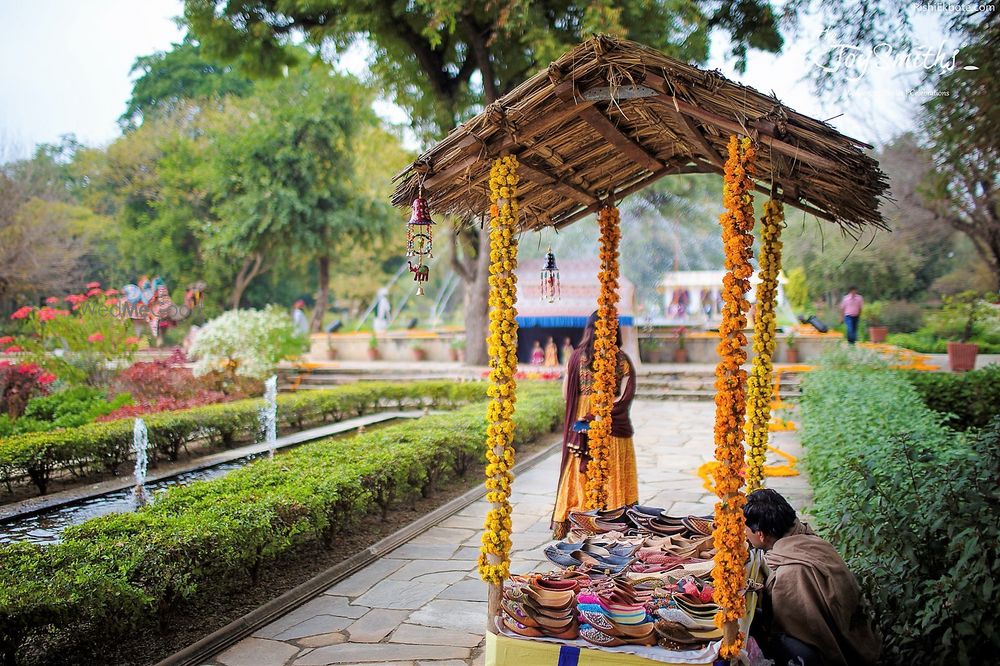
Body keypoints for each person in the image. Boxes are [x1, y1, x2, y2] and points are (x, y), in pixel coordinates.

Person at [744, 489, 881, 666]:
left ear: (760, 535)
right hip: (861, 638)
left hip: (829, 655)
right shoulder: (812, 541)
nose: (744, 533)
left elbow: (788, 628)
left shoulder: (790, 574)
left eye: (745, 528)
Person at [550, 311, 638, 539]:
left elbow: (565, 394)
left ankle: (579, 520)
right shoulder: (621, 359)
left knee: (581, 470)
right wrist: (604, 410)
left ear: (589, 329)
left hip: (583, 424)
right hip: (612, 423)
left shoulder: (577, 357)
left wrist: (586, 412)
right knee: (612, 469)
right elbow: (626, 395)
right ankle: (615, 520)